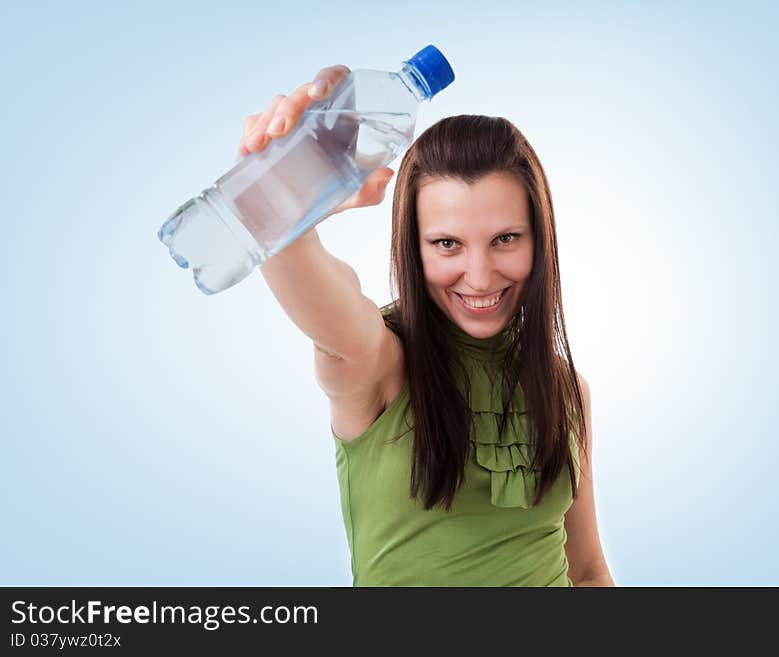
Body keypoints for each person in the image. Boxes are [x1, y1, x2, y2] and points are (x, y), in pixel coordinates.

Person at [238, 65, 614, 587]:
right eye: (447, 244)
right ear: (412, 247)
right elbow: (320, 292)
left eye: (506, 239)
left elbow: (589, 572)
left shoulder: (566, 388)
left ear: (540, 240)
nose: (480, 276)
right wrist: (277, 201)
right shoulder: (378, 361)